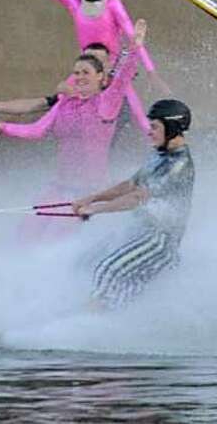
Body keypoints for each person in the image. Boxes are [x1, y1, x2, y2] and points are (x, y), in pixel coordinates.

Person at [0, 21, 149, 241]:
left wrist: (135, 46)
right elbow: (37, 129)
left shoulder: (107, 102)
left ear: (101, 77)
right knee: (26, 233)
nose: (80, 77)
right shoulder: (65, 103)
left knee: (57, 238)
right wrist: (3, 128)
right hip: (59, 185)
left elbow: (123, 77)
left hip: (89, 191)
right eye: (76, 73)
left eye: (86, 72)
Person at [0, 0, 158, 133]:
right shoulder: (73, 2)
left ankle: (156, 141)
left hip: (111, 68)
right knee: (59, 99)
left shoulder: (112, 5)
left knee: (136, 110)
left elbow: (132, 37)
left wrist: (152, 71)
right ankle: (9, 123)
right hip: (88, 67)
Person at [73, 99, 196, 308]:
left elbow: (138, 197)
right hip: (139, 231)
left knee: (107, 271)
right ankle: (83, 310)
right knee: (83, 263)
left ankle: (88, 324)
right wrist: (92, 198)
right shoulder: (158, 154)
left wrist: (95, 210)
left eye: (155, 127)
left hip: (160, 241)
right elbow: (131, 185)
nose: (149, 132)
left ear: (172, 127)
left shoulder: (179, 165)